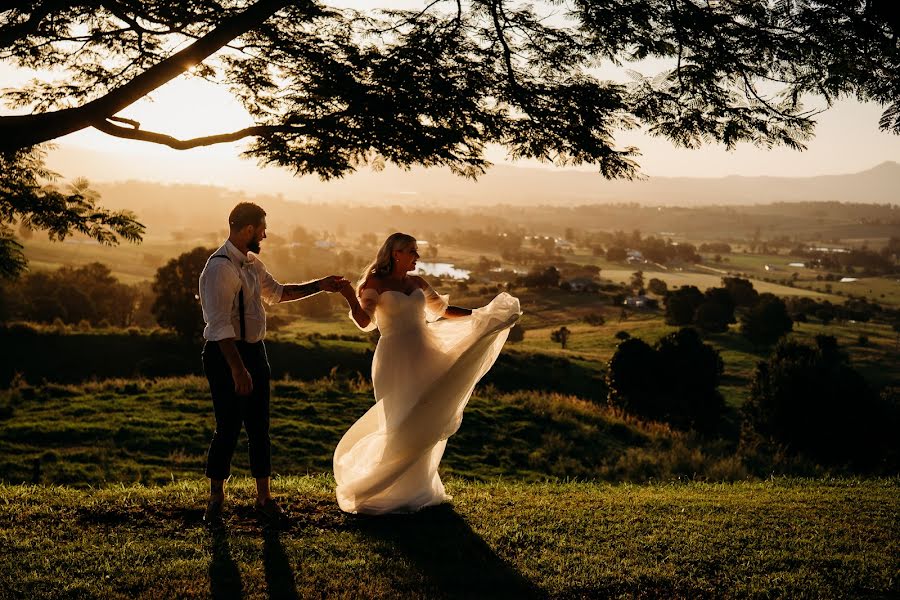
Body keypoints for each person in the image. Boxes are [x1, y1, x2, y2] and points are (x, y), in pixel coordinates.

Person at [334, 233, 521, 514]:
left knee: (425, 418)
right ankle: (382, 489)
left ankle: (417, 490)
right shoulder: (375, 283)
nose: (417, 257)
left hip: (426, 355)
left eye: (416, 251)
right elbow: (364, 322)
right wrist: (350, 295)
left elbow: (443, 310)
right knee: (398, 422)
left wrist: (482, 317)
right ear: (395, 253)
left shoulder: (416, 282)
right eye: (412, 251)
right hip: (394, 359)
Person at [199, 201, 347, 526]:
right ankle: (215, 499)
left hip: (254, 351)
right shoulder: (219, 268)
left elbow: (278, 293)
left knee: (259, 428)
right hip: (225, 354)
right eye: (262, 228)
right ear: (249, 229)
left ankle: (264, 498)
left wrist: (320, 285)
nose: (265, 234)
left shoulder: (252, 264)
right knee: (227, 427)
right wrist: (238, 369)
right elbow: (219, 325)